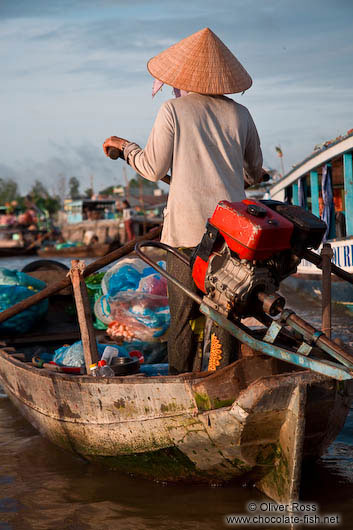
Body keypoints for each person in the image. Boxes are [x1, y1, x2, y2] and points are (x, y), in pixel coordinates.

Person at [103, 28, 266, 374]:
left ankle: (181, 381)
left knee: (181, 318)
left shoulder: (173, 110)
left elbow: (151, 168)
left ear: (184, 77)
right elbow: (254, 174)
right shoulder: (242, 115)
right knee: (226, 315)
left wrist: (124, 146)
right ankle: (225, 378)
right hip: (230, 238)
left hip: (186, 236)